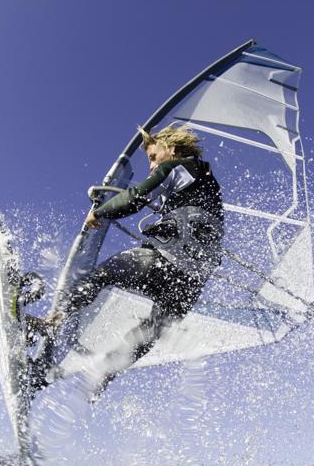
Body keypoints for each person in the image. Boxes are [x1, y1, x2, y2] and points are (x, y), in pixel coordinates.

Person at [28, 125, 224, 396]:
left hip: (163, 263)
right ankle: (103, 375)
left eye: (154, 156)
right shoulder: (206, 181)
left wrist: (101, 211)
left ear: (173, 150)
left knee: (104, 274)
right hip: (191, 283)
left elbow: (136, 197)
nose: (152, 165)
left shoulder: (176, 168)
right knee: (151, 331)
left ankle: (53, 321)